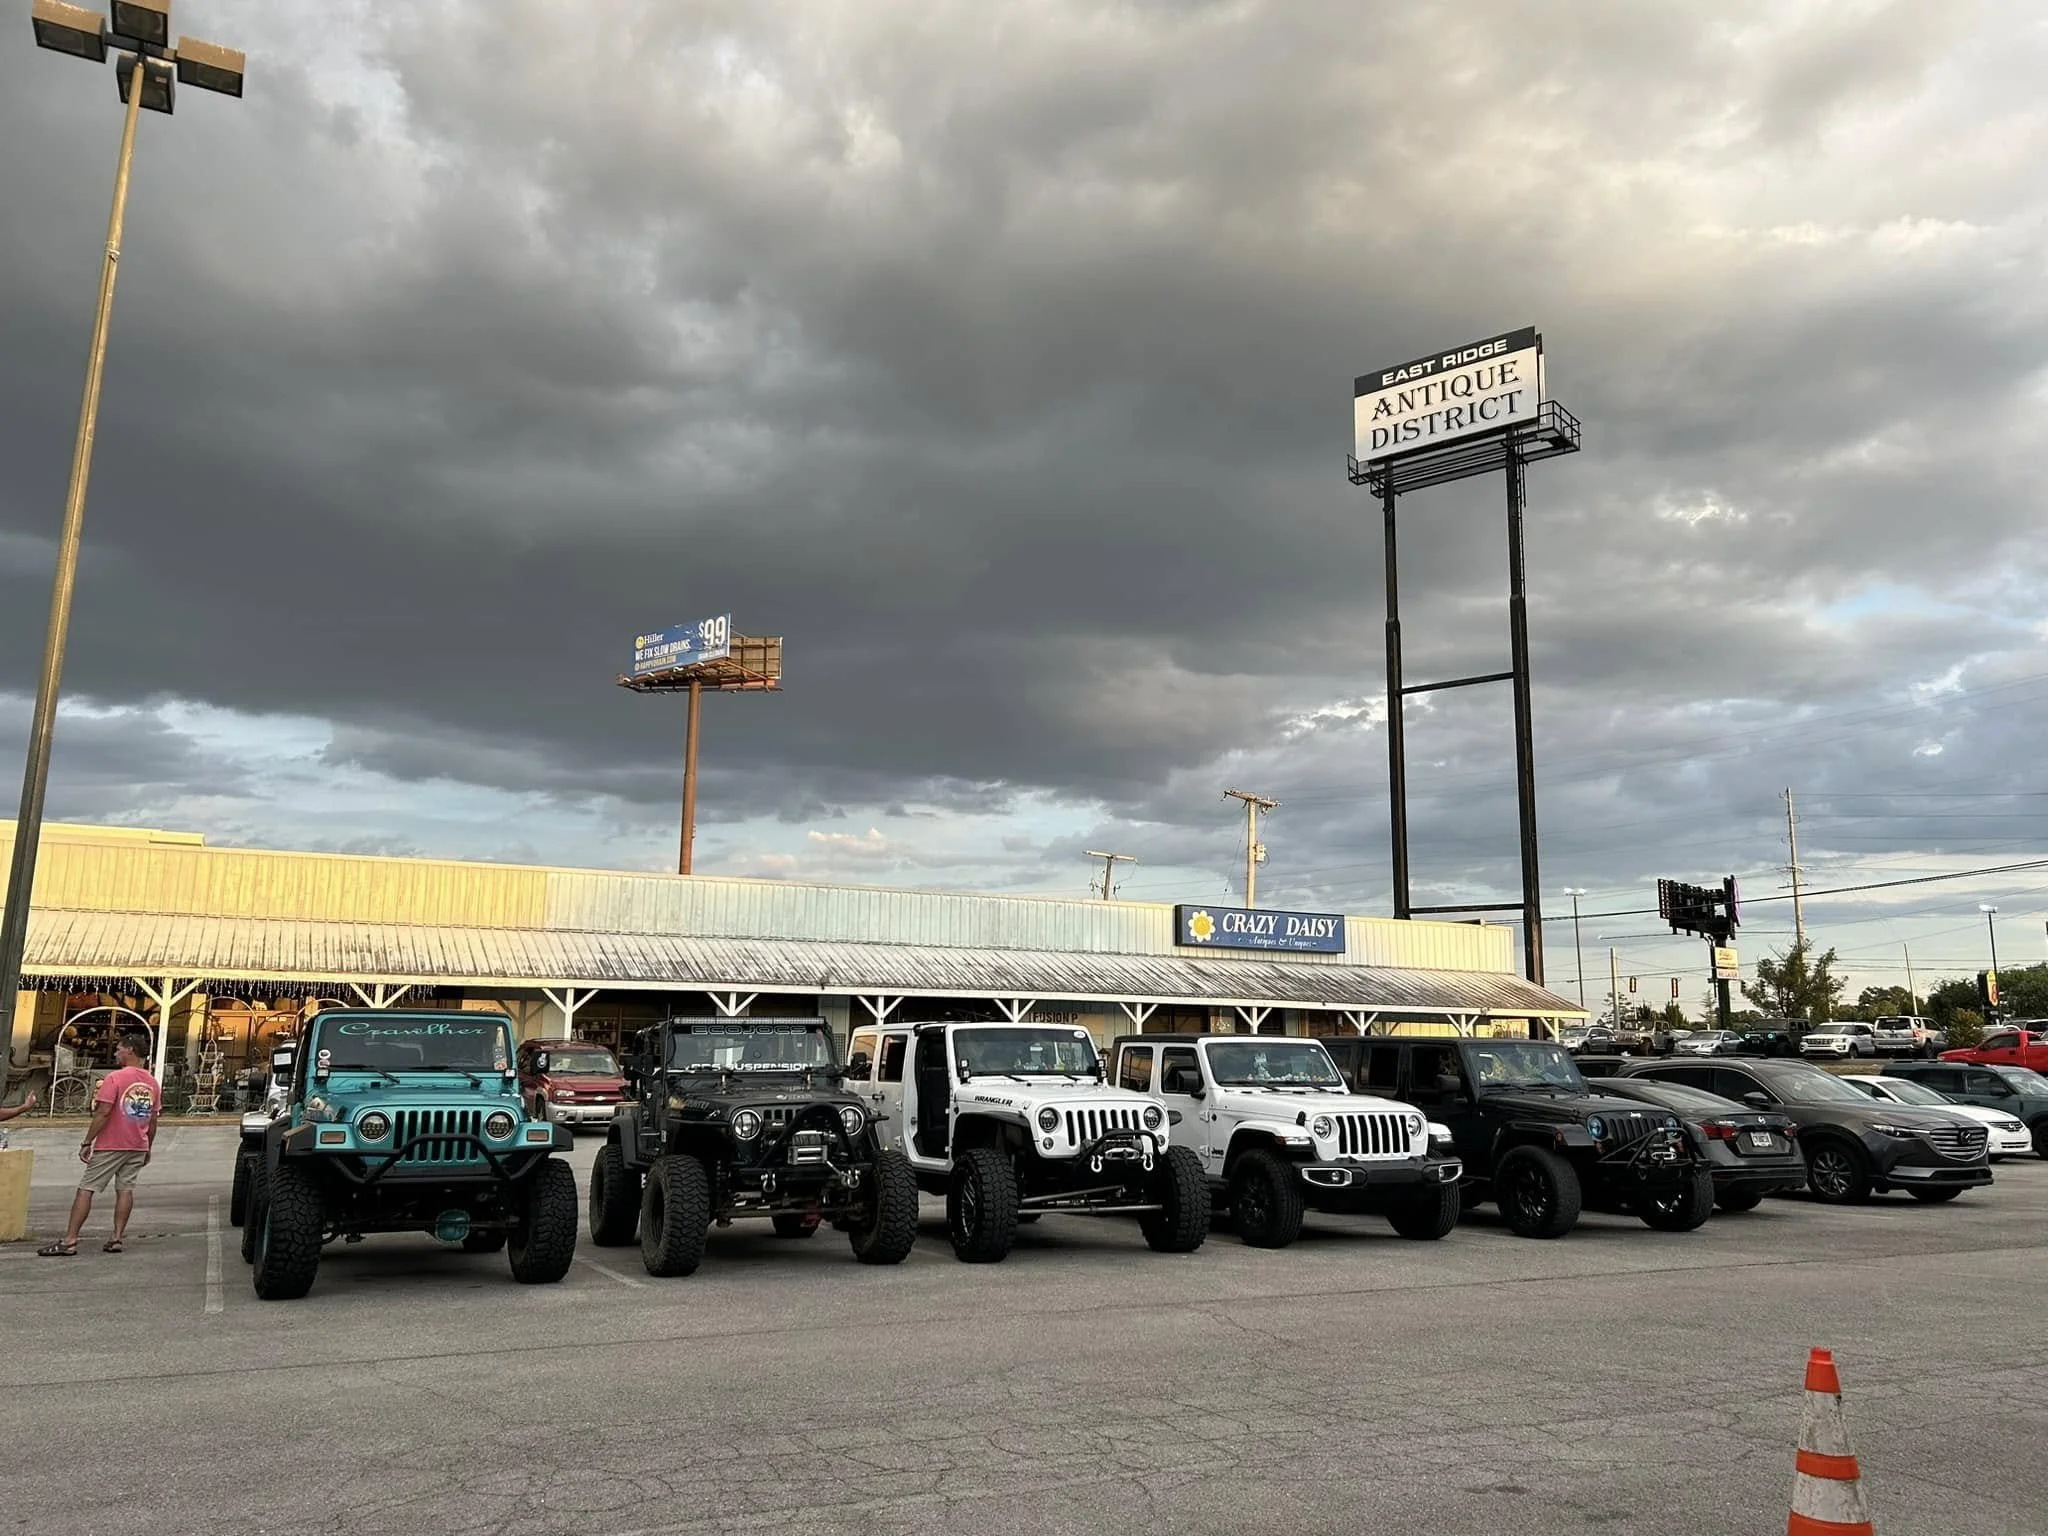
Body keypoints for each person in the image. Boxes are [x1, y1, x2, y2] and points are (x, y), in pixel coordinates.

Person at [39, 1027, 158, 1256]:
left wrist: (87, 1141)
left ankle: (70, 1240)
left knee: (86, 1189)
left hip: (112, 1143)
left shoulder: (115, 1078)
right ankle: (116, 1238)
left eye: (119, 1049)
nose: (115, 1053)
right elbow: (152, 1120)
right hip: (137, 1144)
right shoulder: (152, 1083)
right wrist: (148, 1147)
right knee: (125, 1190)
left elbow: (103, 1111)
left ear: (130, 1051)